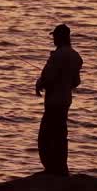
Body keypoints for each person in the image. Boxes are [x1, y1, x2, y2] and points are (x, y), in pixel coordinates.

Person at [34, 23, 82, 175]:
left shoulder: (56, 56)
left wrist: (38, 84)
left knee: (46, 135)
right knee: (61, 133)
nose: (53, 38)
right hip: (66, 101)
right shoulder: (76, 56)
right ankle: (61, 166)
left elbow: (47, 78)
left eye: (54, 36)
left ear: (60, 37)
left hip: (53, 101)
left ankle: (51, 168)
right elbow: (76, 82)